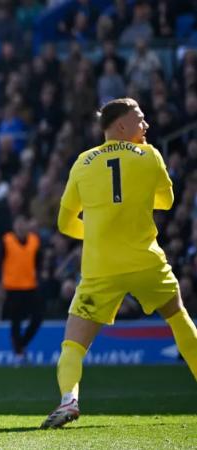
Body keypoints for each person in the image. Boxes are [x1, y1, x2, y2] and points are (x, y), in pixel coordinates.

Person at [42, 98, 197, 429]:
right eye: (140, 119)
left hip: (101, 268)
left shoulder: (83, 163)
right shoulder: (151, 155)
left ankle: (69, 400)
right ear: (121, 126)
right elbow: (167, 202)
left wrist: (99, 230)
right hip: (146, 262)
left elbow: (65, 223)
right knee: (179, 319)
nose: (146, 126)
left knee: (72, 343)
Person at [1, 215, 43, 366]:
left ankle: (22, 345)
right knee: (16, 321)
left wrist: (39, 276)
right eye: (18, 223)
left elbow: (38, 261)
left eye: (23, 223)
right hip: (12, 287)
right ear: (14, 226)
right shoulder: (7, 241)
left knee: (37, 318)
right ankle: (19, 353)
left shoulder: (34, 241)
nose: (20, 227)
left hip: (30, 286)